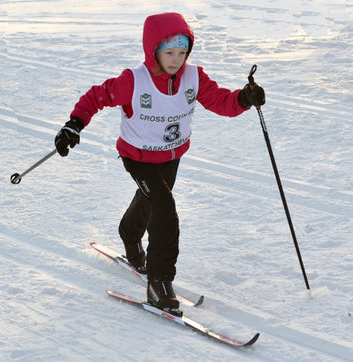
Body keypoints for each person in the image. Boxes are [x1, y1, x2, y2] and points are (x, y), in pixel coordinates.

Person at [54, 12, 265, 315]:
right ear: (153, 50)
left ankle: (129, 231)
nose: (177, 59)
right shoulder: (133, 81)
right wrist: (74, 124)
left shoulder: (194, 78)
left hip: (171, 154)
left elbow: (220, 101)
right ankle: (159, 282)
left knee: (153, 199)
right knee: (165, 210)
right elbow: (97, 96)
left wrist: (245, 99)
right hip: (138, 156)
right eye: (169, 53)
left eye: (182, 52)